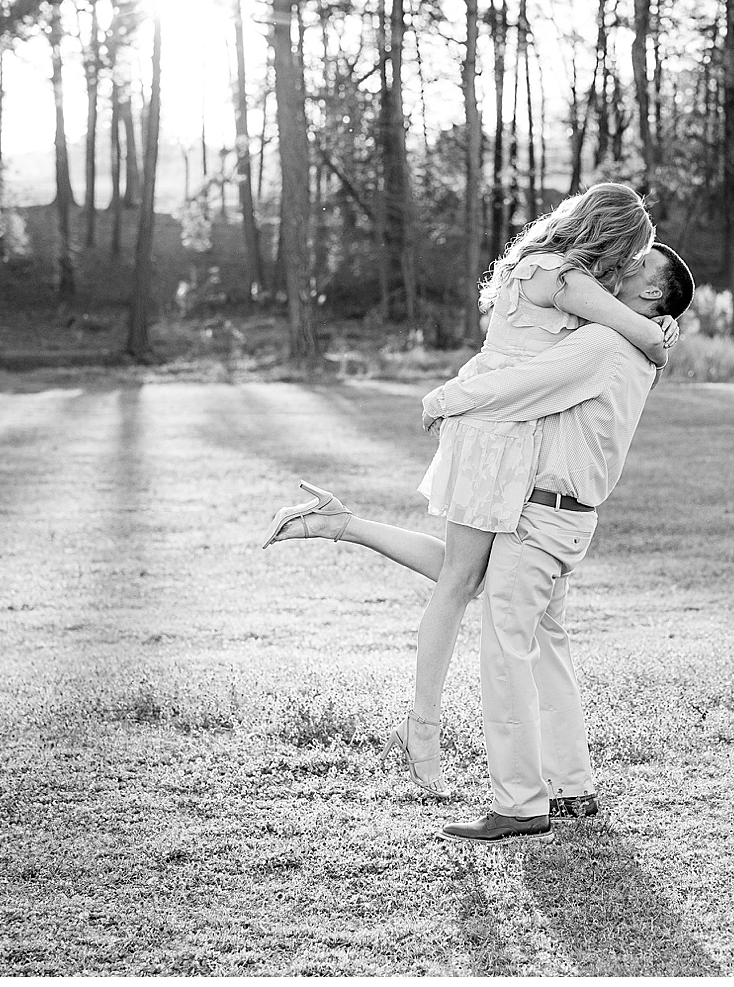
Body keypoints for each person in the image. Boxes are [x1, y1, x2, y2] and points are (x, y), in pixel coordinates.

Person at [271, 243, 695, 845]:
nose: (622, 269)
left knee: (506, 652)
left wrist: (445, 398)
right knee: (547, 646)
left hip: (540, 515)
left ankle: (520, 802)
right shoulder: (637, 344)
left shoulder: (603, 344)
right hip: (568, 517)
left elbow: (526, 382)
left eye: (637, 268)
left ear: (653, 294)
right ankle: (572, 787)